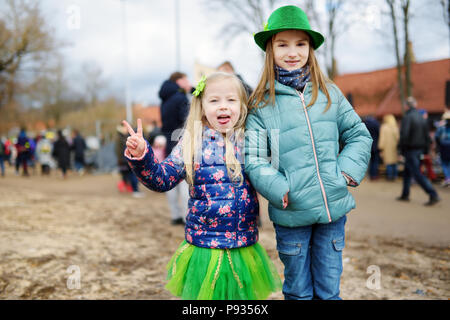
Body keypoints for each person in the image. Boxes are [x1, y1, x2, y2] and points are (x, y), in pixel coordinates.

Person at [245, 5, 372, 300]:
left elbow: (358, 134)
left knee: (328, 292)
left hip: (333, 211)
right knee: (299, 292)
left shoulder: (329, 93)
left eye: (300, 43)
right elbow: (253, 158)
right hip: (292, 213)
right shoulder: (260, 105)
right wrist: (279, 187)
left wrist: (346, 171)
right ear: (270, 49)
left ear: (310, 48)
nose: (293, 52)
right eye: (283, 44)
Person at [122, 72, 282, 300]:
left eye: (231, 100)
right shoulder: (191, 142)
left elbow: (274, 170)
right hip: (205, 246)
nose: (223, 107)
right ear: (202, 105)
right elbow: (162, 178)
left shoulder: (250, 138)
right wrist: (143, 156)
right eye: (214, 100)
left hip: (243, 246)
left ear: (242, 104)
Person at [158, 71, 192, 225]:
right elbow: (186, 120)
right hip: (180, 140)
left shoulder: (165, 99)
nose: (188, 82)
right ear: (179, 80)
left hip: (168, 140)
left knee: (170, 176)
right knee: (185, 179)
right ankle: (187, 216)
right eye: (186, 79)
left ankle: (175, 214)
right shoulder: (180, 97)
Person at [397, 97, 440, 205]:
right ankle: (405, 194)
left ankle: (433, 194)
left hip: (411, 149)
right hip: (419, 149)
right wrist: (425, 150)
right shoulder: (421, 118)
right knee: (408, 171)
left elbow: (404, 135)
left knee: (417, 173)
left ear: (407, 106)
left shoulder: (407, 117)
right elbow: (427, 136)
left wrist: (401, 150)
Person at [115, 123, 144, 198]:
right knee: (131, 175)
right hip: (125, 160)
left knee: (127, 176)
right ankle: (135, 190)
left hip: (126, 160)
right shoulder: (120, 137)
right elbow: (118, 150)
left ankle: (133, 189)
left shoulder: (124, 136)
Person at [378, 114, 399, 181]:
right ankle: (395, 176)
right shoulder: (395, 127)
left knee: (388, 162)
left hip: (386, 148)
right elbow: (398, 138)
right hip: (394, 147)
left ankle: (389, 176)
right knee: (394, 162)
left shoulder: (384, 127)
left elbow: (382, 138)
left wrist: (380, 147)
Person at [363, 115, 381, 180]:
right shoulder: (376, 124)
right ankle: (374, 175)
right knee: (375, 161)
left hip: (367, 145)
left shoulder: (364, 124)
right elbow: (379, 134)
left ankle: (368, 175)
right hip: (375, 145)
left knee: (367, 161)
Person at [435, 111, 450, 187]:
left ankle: (448, 178)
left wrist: (438, 144)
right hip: (445, 147)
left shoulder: (441, 127)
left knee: (444, 163)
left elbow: (437, 137)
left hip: (444, 146)